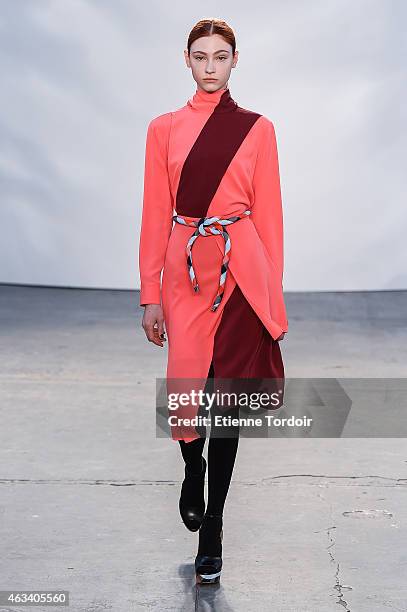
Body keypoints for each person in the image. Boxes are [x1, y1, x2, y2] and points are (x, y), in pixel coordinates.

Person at [138, 18, 288, 585]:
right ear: (186, 60)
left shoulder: (258, 129)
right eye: (200, 56)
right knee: (185, 387)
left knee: (226, 397)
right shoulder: (164, 129)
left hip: (241, 269)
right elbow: (155, 212)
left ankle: (214, 528)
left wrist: (272, 294)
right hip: (184, 270)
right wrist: (149, 292)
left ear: (233, 61)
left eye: (219, 57)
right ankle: (190, 467)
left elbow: (270, 213)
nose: (209, 66)